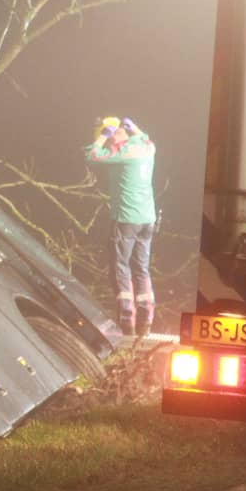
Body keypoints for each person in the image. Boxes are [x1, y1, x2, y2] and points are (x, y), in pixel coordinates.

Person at [85, 116, 157, 337]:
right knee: (141, 267)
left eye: (108, 140)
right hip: (148, 219)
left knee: (121, 267)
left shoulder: (123, 154)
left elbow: (91, 155)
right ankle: (146, 319)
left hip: (127, 220)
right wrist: (136, 128)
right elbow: (145, 138)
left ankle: (127, 321)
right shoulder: (146, 148)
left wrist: (104, 136)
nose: (107, 144)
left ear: (114, 137)